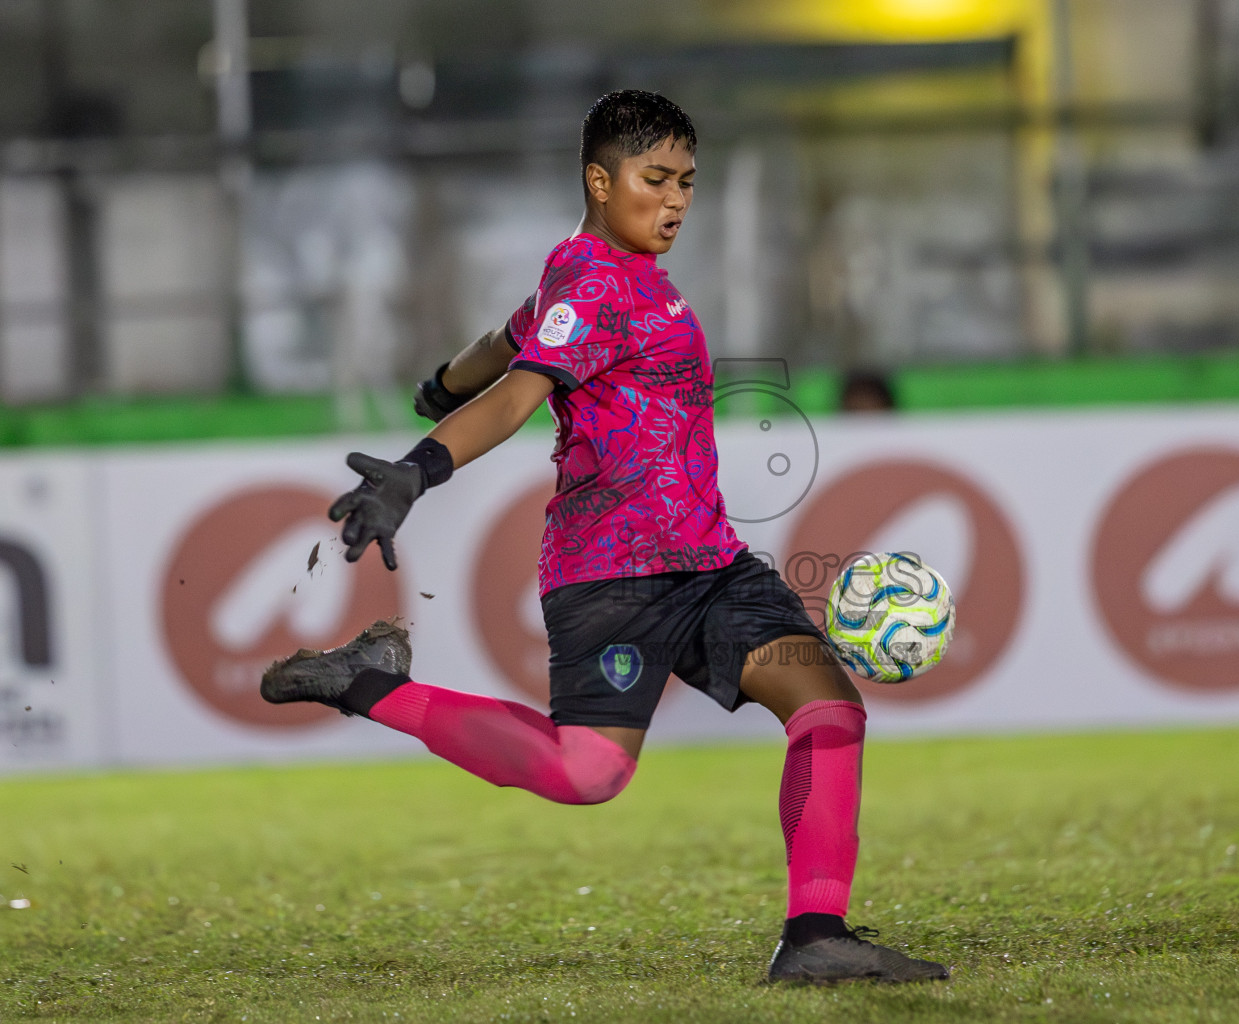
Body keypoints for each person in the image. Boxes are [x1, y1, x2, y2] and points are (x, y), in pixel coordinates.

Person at [261, 90, 948, 985]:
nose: (674, 201)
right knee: (586, 774)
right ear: (599, 178)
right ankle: (369, 685)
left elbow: (502, 347)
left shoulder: (596, 280)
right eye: (654, 179)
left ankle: (814, 935)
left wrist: (440, 381)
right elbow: (516, 393)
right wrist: (417, 468)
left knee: (827, 708)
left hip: (712, 567)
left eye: (687, 184)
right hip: (609, 575)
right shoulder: (590, 283)